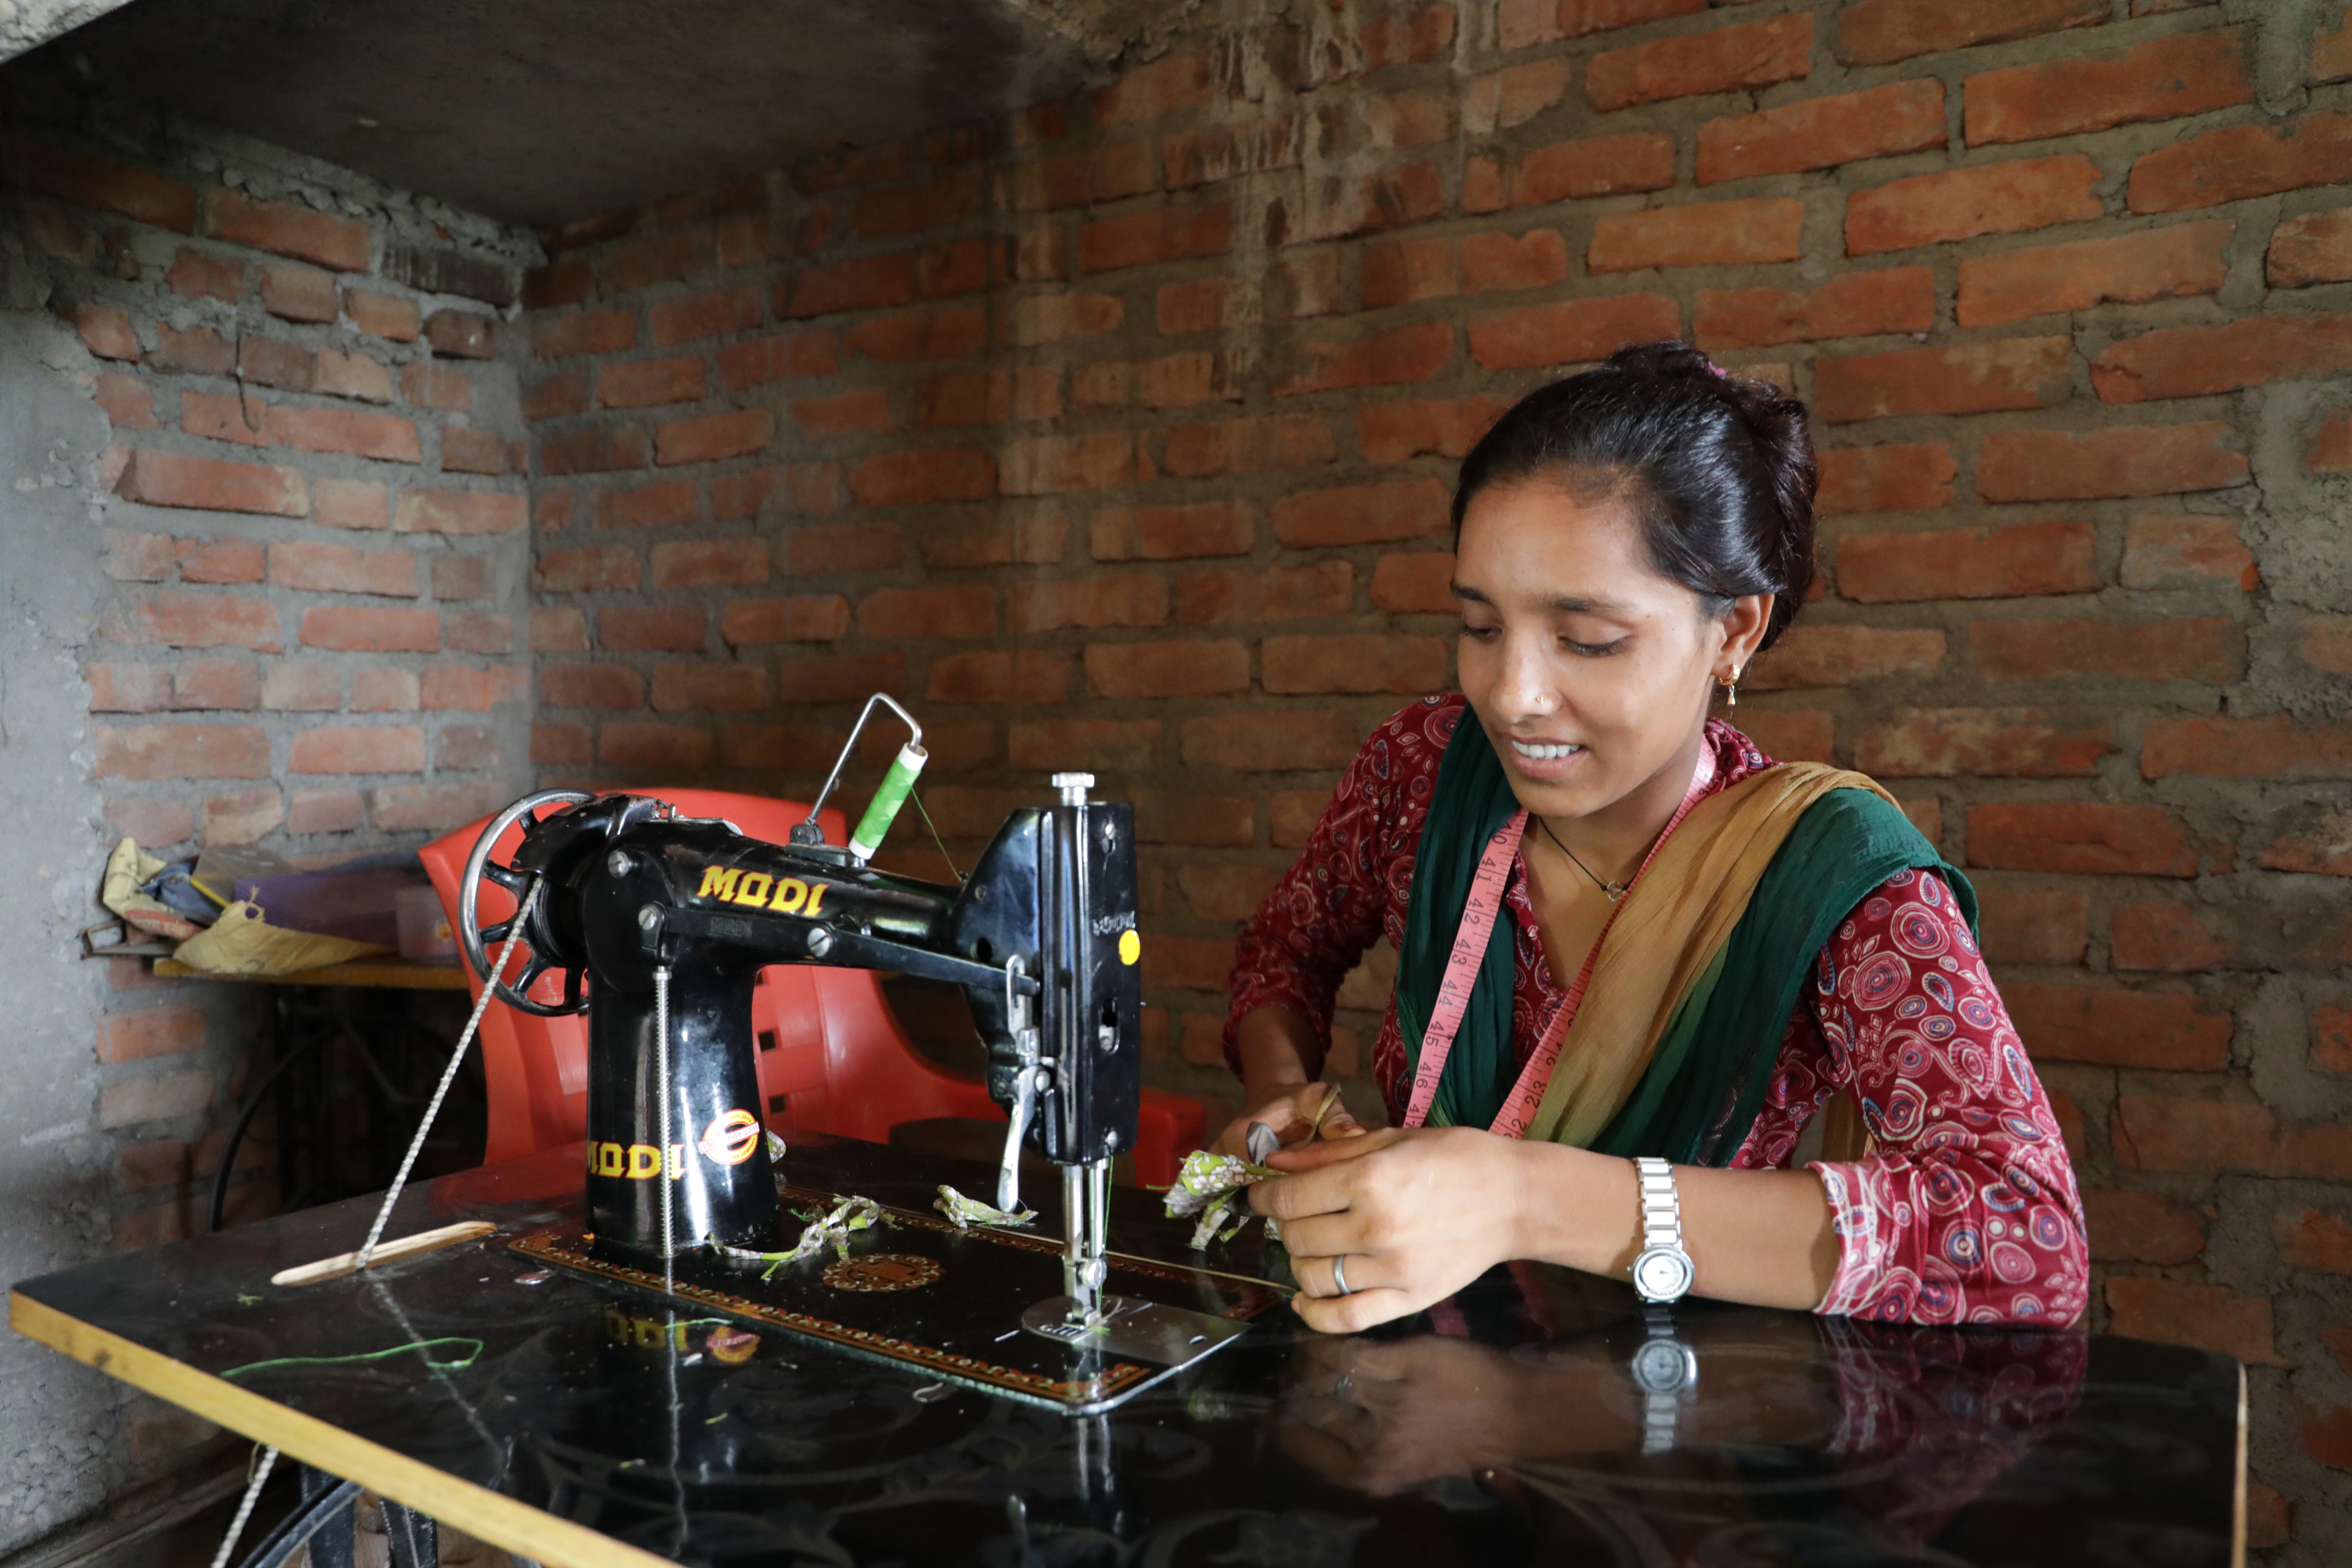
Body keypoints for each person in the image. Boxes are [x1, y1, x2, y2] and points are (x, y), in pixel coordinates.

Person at [1218, 342, 2087, 1333]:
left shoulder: (1824, 877)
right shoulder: (1423, 770)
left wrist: (1516, 1199)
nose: (1512, 696)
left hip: (1671, 1424)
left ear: (1735, 633)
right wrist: (1280, 1093)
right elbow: (1287, 945)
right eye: (1480, 626)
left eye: (1588, 640)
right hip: (1416, 1386)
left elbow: (2030, 1237)